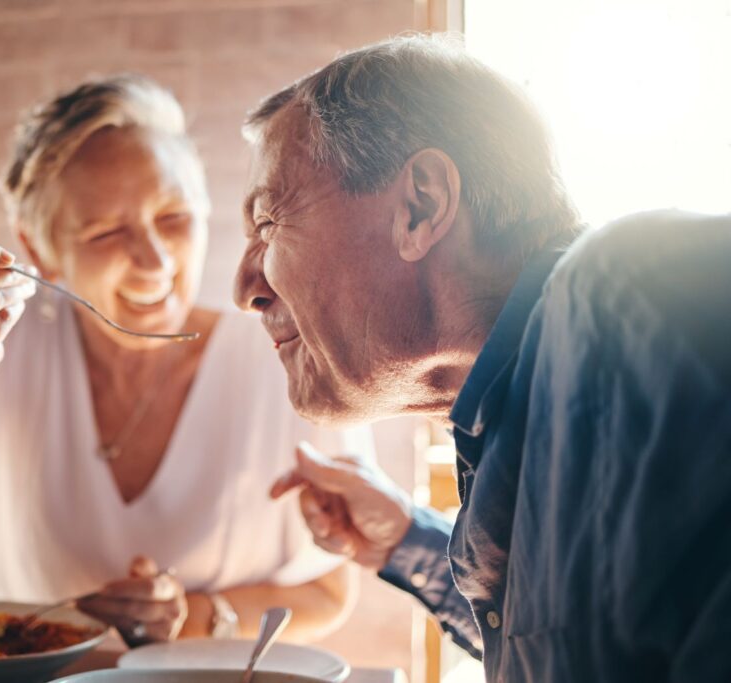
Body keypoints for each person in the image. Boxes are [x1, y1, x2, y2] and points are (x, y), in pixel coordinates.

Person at [234, 35, 731, 682]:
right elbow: (578, 635)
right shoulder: (513, 415)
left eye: (269, 222)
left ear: (422, 205)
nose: (246, 287)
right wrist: (404, 540)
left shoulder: (627, 300)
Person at [0, 75, 372, 644]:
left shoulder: (287, 356)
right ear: (38, 250)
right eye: (105, 232)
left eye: (173, 219)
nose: (154, 259)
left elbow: (328, 594)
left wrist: (190, 618)